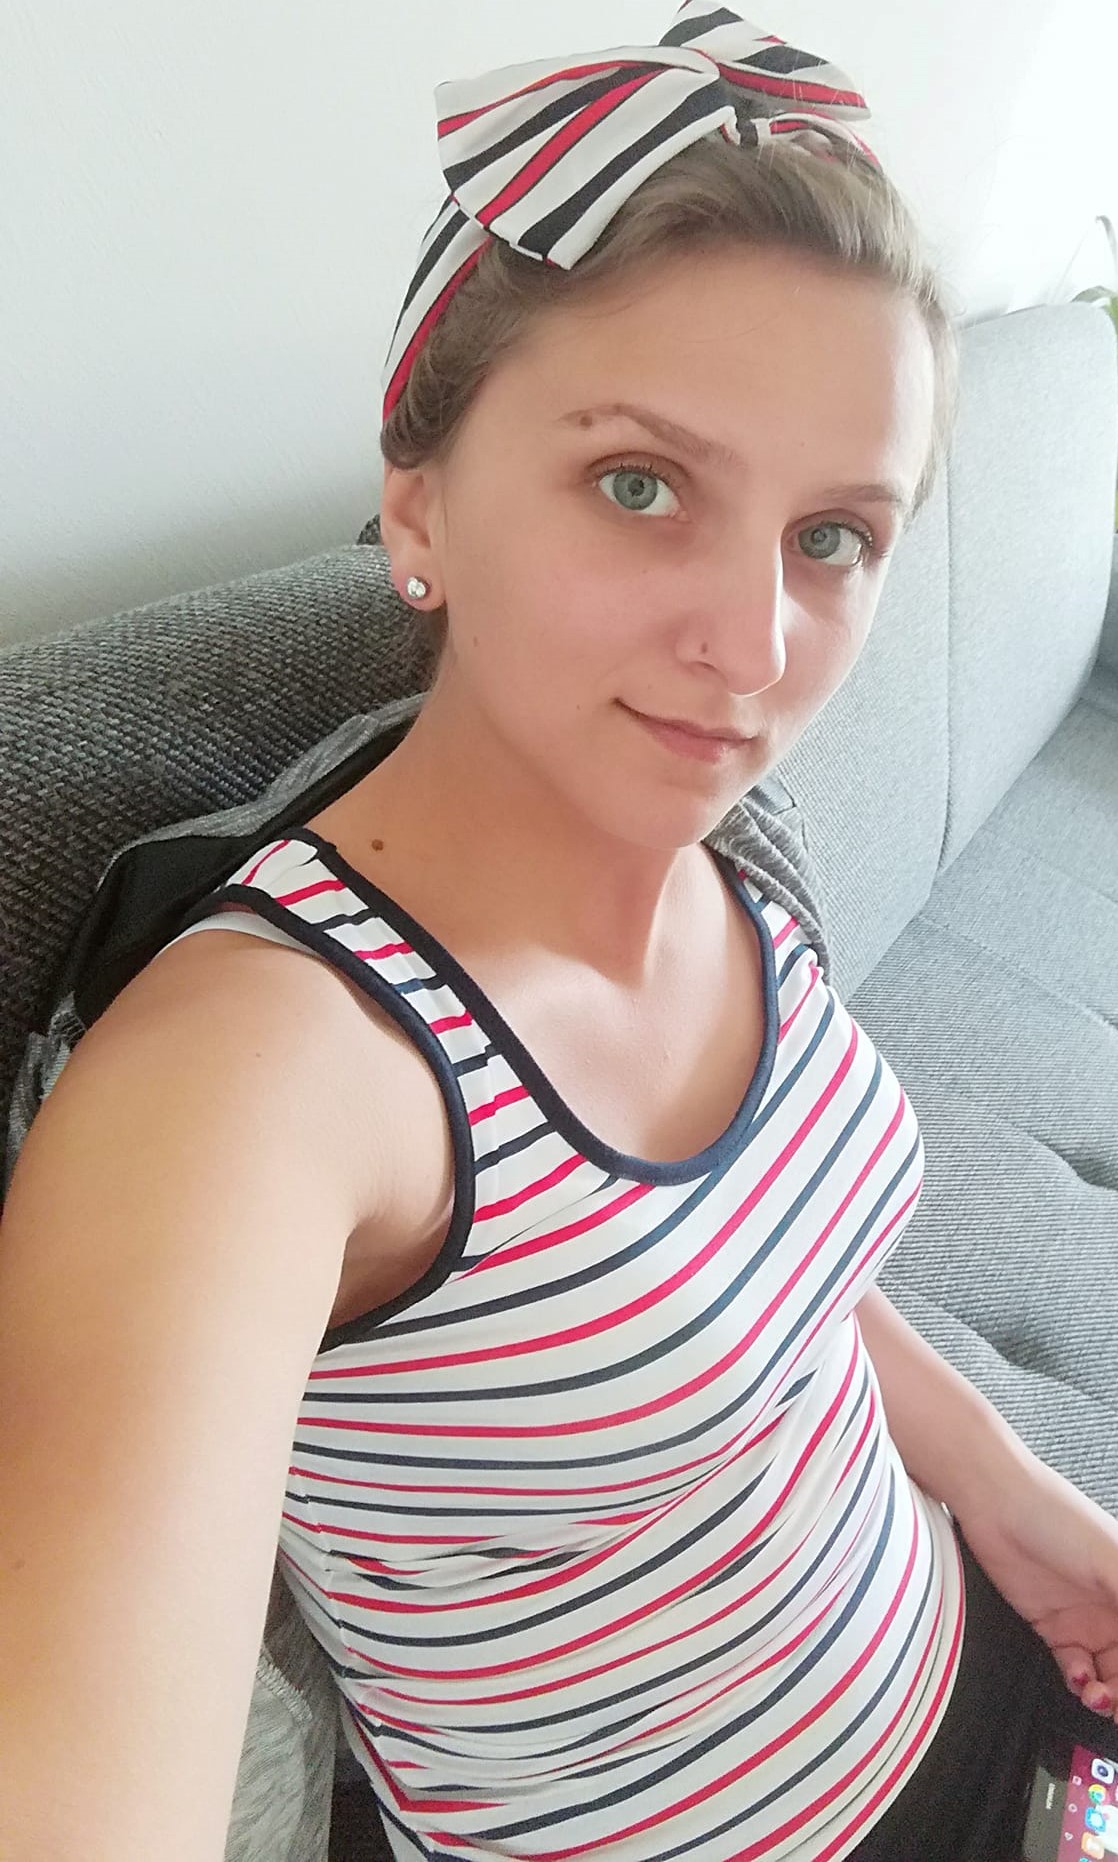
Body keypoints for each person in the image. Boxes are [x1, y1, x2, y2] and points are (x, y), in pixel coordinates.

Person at [3, 7, 1118, 1861]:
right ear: (419, 499)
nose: (755, 648)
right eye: (639, 484)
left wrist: (1015, 1498)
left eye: (832, 537)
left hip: (984, 1655)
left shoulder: (729, 839)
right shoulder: (260, 1081)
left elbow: (756, 1262)